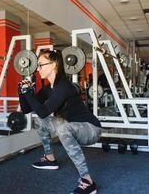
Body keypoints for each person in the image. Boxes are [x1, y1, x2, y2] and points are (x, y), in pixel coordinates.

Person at [18, 50, 102, 194]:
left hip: (91, 129)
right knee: (40, 121)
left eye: (40, 65)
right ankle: (50, 158)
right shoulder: (47, 90)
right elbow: (27, 109)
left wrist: (28, 94)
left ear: (54, 65)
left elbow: (43, 110)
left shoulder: (64, 87)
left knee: (64, 129)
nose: (37, 69)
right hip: (69, 124)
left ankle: (88, 181)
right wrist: (22, 92)